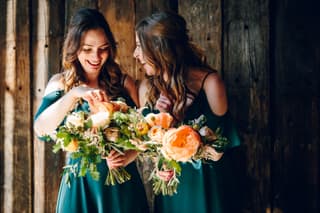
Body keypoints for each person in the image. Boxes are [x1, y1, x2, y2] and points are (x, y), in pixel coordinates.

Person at [34, 8, 149, 213]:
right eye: (87, 49)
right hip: (81, 186)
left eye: (103, 48)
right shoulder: (61, 84)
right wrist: (74, 94)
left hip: (122, 185)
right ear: (74, 47)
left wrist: (129, 155)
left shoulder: (123, 83)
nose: (96, 57)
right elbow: (41, 130)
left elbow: (147, 132)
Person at [134, 11, 242, 213]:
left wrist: (179, 125)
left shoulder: (210, 83)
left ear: (159, 49)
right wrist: (160, 166)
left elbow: (220, 150)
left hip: (206, 189)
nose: (135, 54)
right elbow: (148, 150)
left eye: (140, 47)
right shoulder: (146, 88)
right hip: (171, 190)